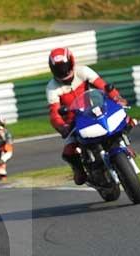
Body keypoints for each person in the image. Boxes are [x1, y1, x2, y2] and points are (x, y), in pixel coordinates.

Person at [46, 47, 129, 186]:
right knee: (69, 152)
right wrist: (62, 127)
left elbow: (103, 86)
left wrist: (117, 97)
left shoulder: (83, 71)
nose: (62, 71)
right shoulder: (51, 87)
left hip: (95, 110)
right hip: (74, 122)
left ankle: (124, 146)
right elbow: (54, 113)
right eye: (58, 68)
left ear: (71, 62)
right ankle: (79, 170)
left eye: (64, 66)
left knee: (125, 121)